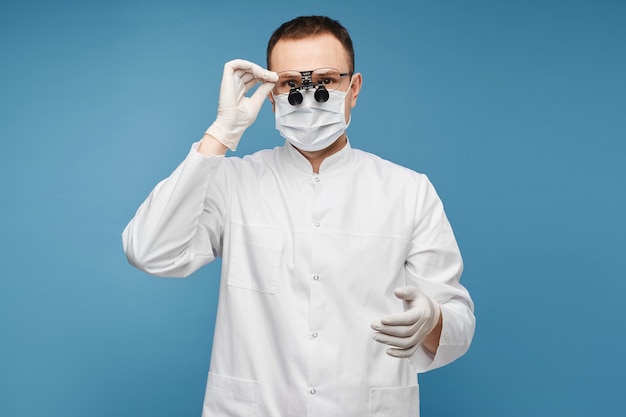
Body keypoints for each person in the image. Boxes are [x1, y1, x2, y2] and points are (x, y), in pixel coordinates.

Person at [122, 15, 475, 417]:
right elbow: (148, 250)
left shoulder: (409, 191)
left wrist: (432, 320)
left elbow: (458, 328)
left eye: (326, 79)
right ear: (272, 94)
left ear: (353, 88)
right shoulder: (233, 181)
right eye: (291, 84)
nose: (309, 97)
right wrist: (220, 133)